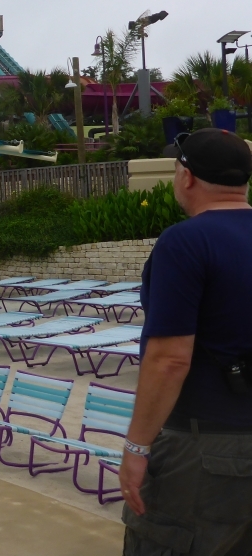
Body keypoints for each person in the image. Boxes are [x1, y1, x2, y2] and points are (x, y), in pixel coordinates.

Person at [120, 129, 252, 555]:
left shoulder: (186, 241)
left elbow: (170, 360)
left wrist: (137, 447)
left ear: (187, 177)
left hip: (204, 449)